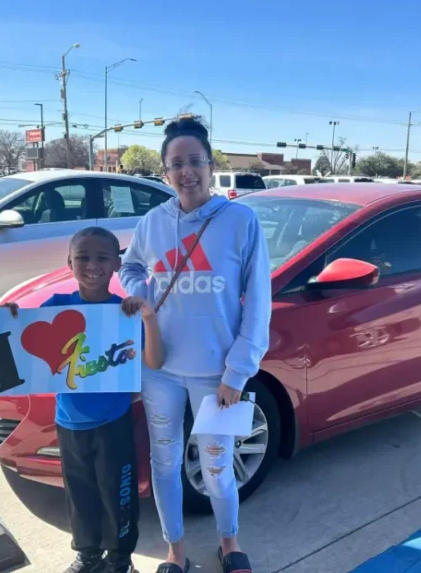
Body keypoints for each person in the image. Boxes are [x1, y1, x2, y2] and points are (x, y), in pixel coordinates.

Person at [119, 116, 271, 573]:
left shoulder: (240, 220)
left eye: (195, 162)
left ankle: (229, 543)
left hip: (216, 375)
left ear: (210, 164)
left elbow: (259, 302)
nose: (187, 172)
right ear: (165, 172)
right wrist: (140, 298)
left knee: (217, 468)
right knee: (164, 463)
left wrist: (237, 373)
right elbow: (129, 269)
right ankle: (175, 551)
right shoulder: (152, 222)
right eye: (176, 164)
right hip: (159, 369)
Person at [6, 226, 165, 573]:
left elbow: (153, 361)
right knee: (79, 494)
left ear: (115, 264)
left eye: (101, 257)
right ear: (69, 262)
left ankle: (121, 558)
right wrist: (9, 324)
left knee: (118, 494)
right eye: (83, 257)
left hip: (113, 423)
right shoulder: (56, 306)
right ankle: (88, 555)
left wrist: (148, 320)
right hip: (69, 422)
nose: (92, 265)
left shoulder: (123, 313)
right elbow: (23, 352)